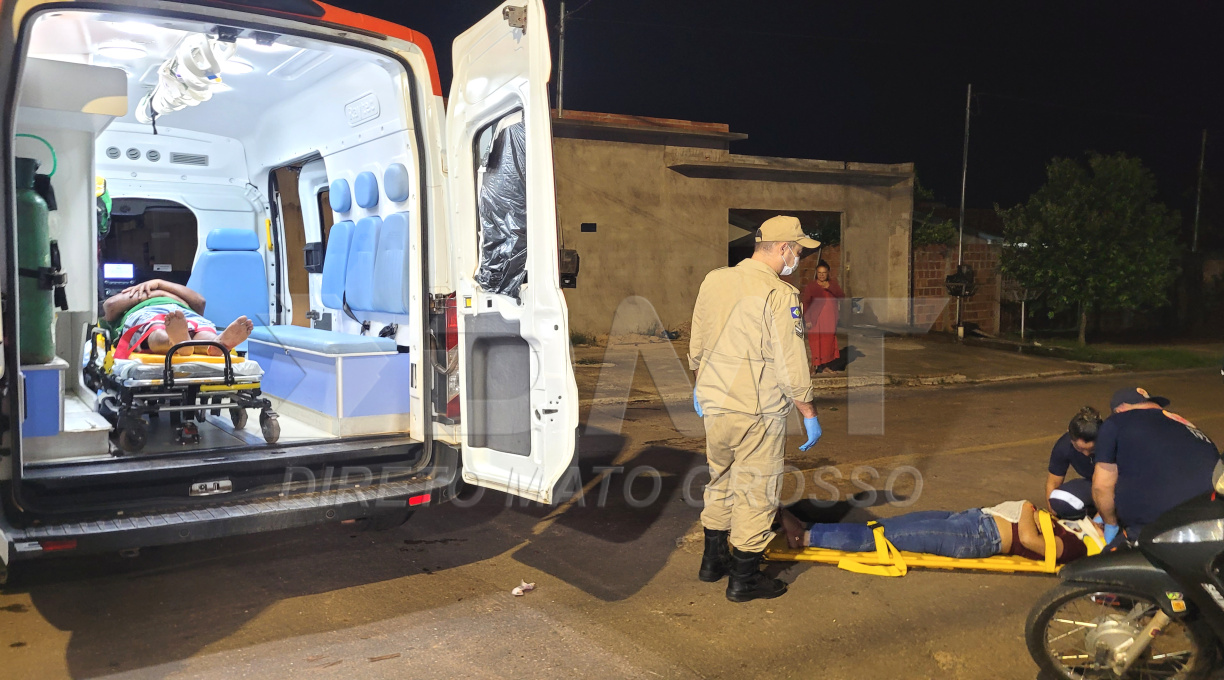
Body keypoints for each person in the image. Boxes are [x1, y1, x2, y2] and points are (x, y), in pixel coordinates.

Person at [689, 214, 822, 603]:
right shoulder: (780, 295)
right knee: (756, 492)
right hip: (757, 409)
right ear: (783, 248)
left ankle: (712, 562)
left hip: (715, 402)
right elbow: (791, 363)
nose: (797, 259)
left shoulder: (715, 279)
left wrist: (699, 382)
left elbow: (698, 337)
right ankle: (744, 578)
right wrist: (809, 412)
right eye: (797, 251)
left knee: (721, 479)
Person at [778, 500, 1103, 564]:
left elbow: (1034, 542)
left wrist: (1026, 510)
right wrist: (1027, 510)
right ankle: (810, 527)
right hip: (972, 520)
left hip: (979, 538)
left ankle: (805, 538)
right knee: (886, 526)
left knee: (883, 538)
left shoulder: (1079, 547)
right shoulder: (1075, 526)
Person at [1093, 387, 1220, 546]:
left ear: (1120, 409)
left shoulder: (1116, 422)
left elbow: (1102, 486)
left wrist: (1110, 523)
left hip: (1162, 527)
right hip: (1213, 523)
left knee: (1096, 566)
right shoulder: (1191, 428)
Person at [103, 279, 253, 359]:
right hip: (151, 312)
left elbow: (200, 302)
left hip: (183, 314)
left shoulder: (141, 293)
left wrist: (159, 283)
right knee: (156, 327)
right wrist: (161, 293)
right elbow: (110, 306)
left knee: (160, 328)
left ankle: (213, 343)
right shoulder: (135, 294)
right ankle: (181, 342)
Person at [1045, 406, 1103, 516]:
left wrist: (1103, 517)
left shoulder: (1113, 444)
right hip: (1095, 484)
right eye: (1080, 448)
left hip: (1122, 486)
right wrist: (1052, 517)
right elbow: (1053, 483)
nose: (1086, 454)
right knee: (1059, 501)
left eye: (1092, 449)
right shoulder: (1064, 446)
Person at [799, 260, 844, 372]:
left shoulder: (833, 284)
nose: (822, 275)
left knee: (827, 342)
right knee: (815, 341)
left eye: (824, 272)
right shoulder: (812, 286)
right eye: (819, 272)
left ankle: (825, 365)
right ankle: (814, 365)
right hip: (815, 319)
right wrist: (807, 319)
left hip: (830, 319)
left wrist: (829, 287)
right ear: (816, 273)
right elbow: (806, 302)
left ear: (828, 273)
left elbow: (841, 296)